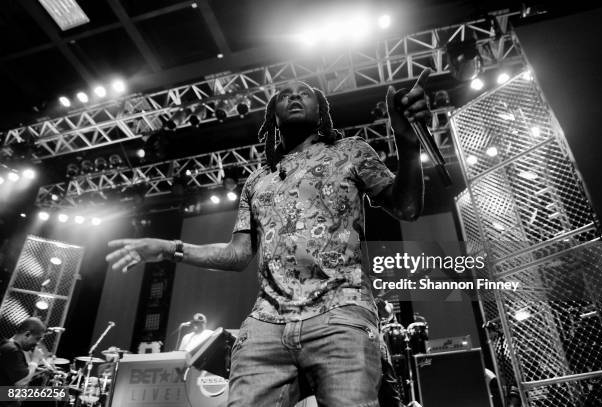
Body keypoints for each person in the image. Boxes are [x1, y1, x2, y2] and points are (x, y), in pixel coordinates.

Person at [106, 71, 431, 406]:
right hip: (266, 325)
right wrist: (167, 248)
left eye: (303, 93)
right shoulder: (256, 180)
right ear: (273, 114)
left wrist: (407, 144)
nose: (293, 96)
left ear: (320, 111)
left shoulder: (350, 152)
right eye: (284, 94)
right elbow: (236, 254)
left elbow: (407, 207)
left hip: (340, 314)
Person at [0, 317, 46, 407]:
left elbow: (16, 373)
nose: (37, 343)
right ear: (27, 334)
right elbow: (22, 381)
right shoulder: (13, 350)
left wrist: (39, 369)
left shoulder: (8, 346)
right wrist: (35, 360)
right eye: (37, 339)